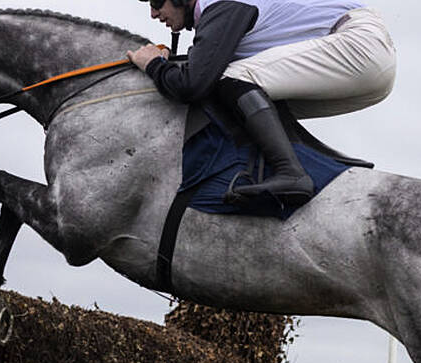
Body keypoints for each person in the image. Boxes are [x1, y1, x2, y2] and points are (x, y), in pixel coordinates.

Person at [127, 0, 396, 207]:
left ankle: (291, 172)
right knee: (240, 95)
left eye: (155, 1)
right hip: (368, 60)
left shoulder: (220, 5)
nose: (153, 13)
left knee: (233, 80)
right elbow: (202, 77)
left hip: (358, 45)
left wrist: (153, 65)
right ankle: (324, 162)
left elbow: (193, 85)